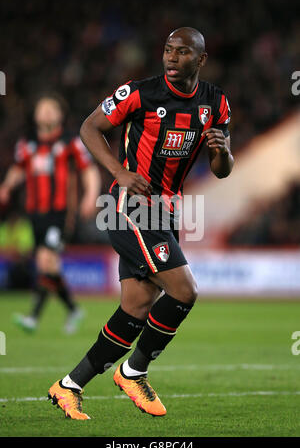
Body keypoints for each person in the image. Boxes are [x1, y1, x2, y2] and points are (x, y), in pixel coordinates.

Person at [48, 27, 234, 419]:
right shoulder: (139, 92)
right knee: (184, 291)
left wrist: (224, 152)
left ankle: (68, 386)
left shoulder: (215, 103)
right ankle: (134, 372)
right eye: (167, 49)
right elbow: (89, 127)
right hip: (131, 205)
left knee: (136, 307)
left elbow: (221, 170)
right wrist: (121, 172)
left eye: (182, 52)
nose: (171, 56)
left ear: (200, 60)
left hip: (167, 211)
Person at [0, 93, 101, 334]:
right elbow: (18, 169)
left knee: (46, 259)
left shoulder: (70, 142)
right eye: (41, 108)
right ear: (35, 114)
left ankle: (33, 317)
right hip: (35, 213)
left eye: (50, 108)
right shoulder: (27, 144)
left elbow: (89, 171)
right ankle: (73, 309)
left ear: (60, 114)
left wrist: (91, 195)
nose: (45, 112)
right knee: (49, 266)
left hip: (61, 212)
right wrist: (6, 186)